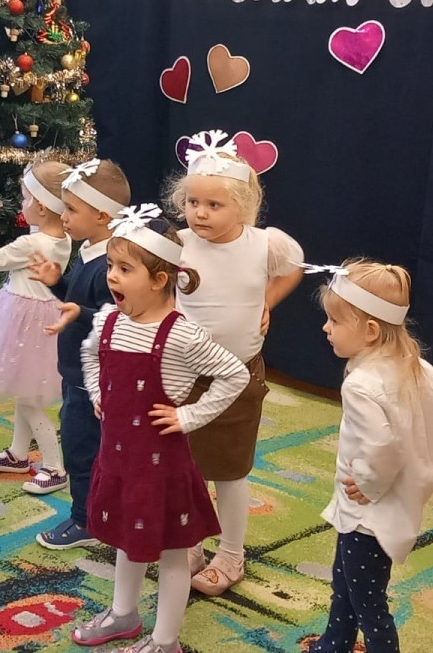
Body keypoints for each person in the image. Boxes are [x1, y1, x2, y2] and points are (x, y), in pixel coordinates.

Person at [70, 204, 249, 653]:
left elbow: (235, 374)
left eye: (124, 269)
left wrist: (189, 417)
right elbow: (90, 354)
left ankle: (165, 640)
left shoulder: (182, 335)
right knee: (126, 540)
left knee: (171, 554)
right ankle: (124, 614)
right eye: (111, 266)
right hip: (118, 460)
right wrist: (97, 393)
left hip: (160, 469)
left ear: (159, 279)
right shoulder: (109, 320)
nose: (111, 277)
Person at [163, 129, 305, 594]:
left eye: (214, 205)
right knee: (183, 467)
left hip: (238, 377)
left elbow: (294, 267)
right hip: (181, 377)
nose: (200, 213)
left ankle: (231, 555)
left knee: (229, 471)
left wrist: (267, 301)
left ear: (243, 207)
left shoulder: (266, 244)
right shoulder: (176, 242)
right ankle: (189, 542)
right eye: (193, 202)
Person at [301, 259, 433, 653]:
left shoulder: (360, 384)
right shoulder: (414, 366)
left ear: (371, 331)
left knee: (369, 603)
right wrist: (419, 454)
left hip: (367, 515)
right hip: (382, 507)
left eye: (335, 321)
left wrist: (370, 484)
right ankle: (335, 642)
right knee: (346, 582)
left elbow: (382, 446)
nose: (325, 328)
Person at [28, 158, 130, 549]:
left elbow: (118, 318)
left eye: (71, 209)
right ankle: (102, 512)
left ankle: (86, 521)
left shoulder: (111, 264)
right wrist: (58, 284)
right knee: (86, 445)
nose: (63, 216)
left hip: (93, 377)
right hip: (77, 371)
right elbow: (78, 298)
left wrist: (80, 314)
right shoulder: (90, 250)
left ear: (102, 215)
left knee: (81, 448)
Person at [0, 162, 73, 494]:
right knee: (24, 387)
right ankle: (17, 453)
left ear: (41, 207)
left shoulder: (31, 245)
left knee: (28, 398)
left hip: (24, 323)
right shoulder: (62, 238)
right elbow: (39, 231)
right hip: (41, 318)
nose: (21, 203)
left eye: (25, 198)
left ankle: (54, 467)